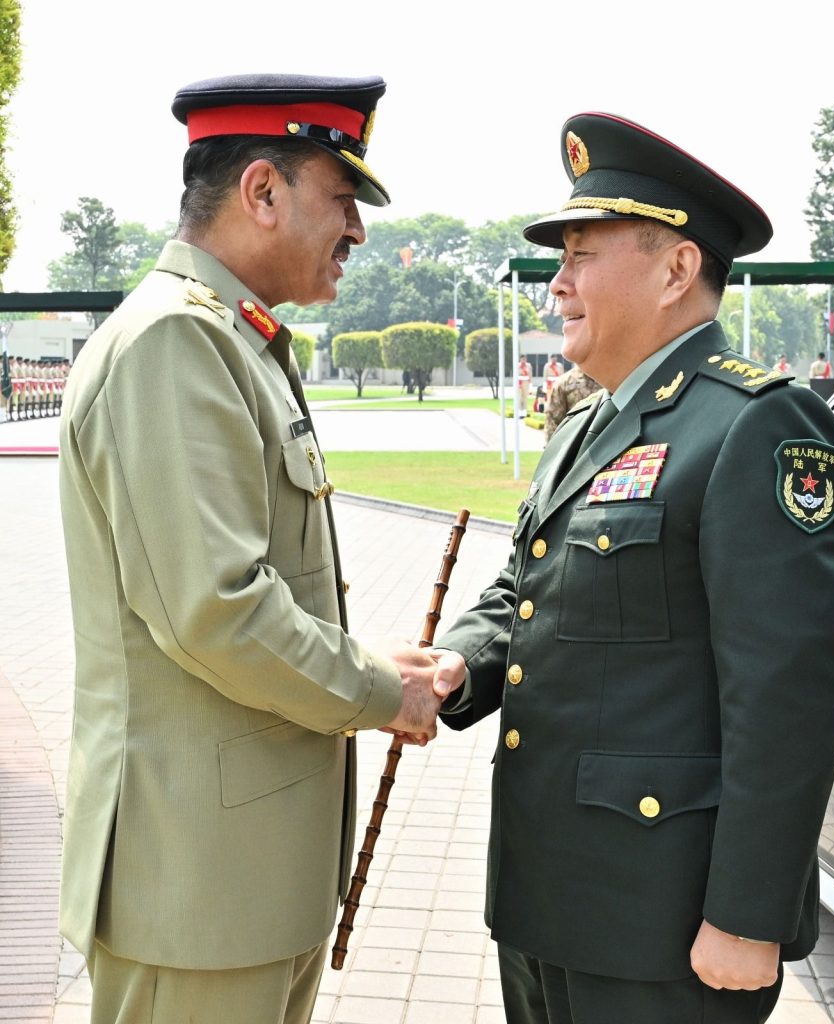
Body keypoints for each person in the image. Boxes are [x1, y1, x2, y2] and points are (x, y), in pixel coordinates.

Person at [431, 111, 834, 1024]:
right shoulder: (590, 425)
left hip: (661, 926)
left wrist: (748, 915)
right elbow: (529, 585)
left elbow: (789, 691)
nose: (557, 285)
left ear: (677, 268)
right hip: (548, 899)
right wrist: (459, 665)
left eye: (582, 255)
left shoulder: (756, 425)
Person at [57, 73, 443, 1024]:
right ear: (262, 192)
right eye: (344, 201)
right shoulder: (173, 346)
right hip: (194, 891)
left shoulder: (233, 339)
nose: (356, 231)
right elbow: (218, 608)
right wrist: (379, 689)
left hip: (243, 881)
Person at [542, 364, 600, 443]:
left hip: (604, 445)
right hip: (573, 444)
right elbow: (553, 421)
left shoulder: (611, 380)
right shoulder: (564, 382)